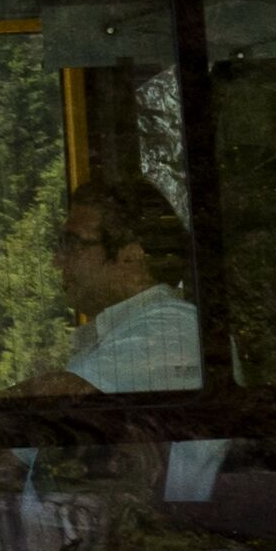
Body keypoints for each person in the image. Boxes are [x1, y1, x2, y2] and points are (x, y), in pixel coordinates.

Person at [49, 168, 205, 394]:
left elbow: (63, 399)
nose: (57, 262)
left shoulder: (175, 328)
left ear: (130, 256)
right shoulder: (115, 334)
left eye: (72, 244)